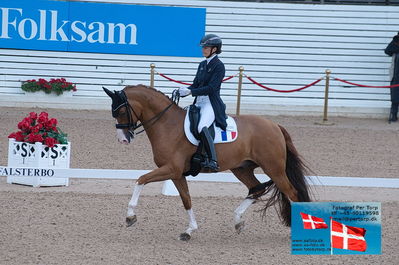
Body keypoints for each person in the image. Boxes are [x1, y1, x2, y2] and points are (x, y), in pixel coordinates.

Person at [178, 34, 227, 171]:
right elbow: (196, 84)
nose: (203, 49)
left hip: (210, 103)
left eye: (206, 47)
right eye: (203, 47)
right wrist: (185, 90)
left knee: (201, 126)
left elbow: (212, 88)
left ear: (215, 49)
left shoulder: (219, 66)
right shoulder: (202, 64)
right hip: (198, 102)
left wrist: (192, 92)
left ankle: (212, 159)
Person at [384, 32, 399, 122]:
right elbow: (387, 51)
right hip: (395, 74)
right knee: (395, 96)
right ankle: (393, 115)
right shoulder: (396, 40)